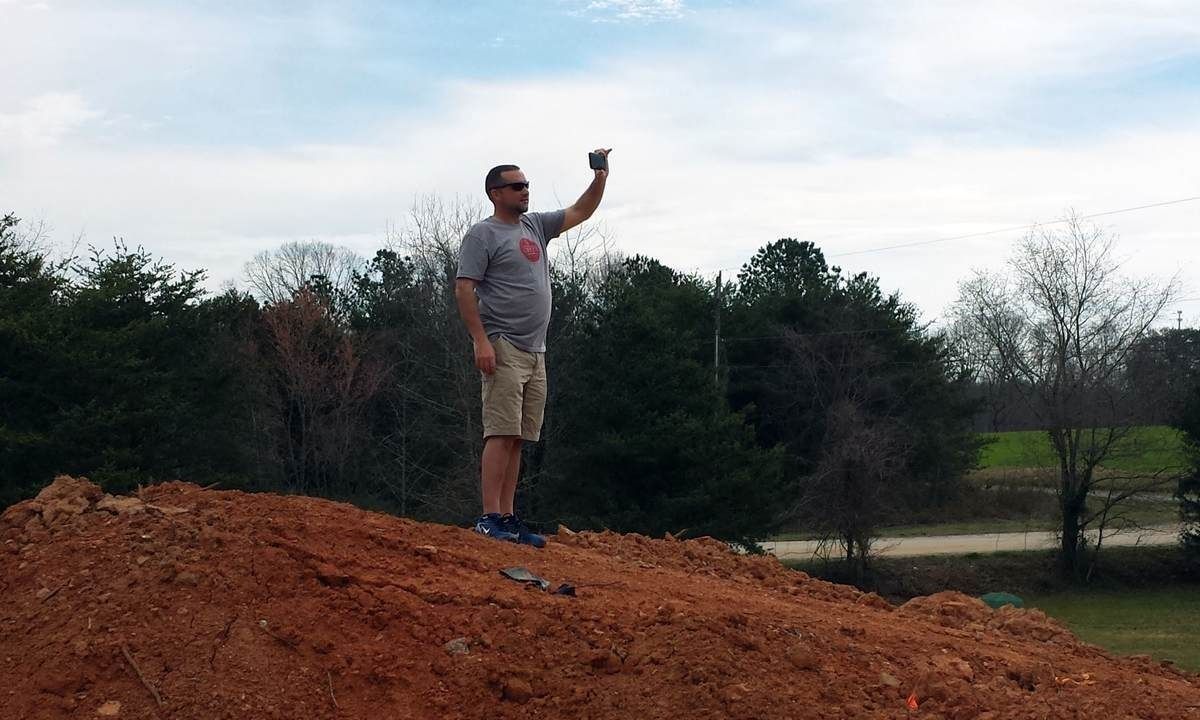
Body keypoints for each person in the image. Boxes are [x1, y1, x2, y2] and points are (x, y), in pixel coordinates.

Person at [454, 149, 611, 546]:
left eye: (527, 185)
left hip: (535, 350)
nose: (525, 191)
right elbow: (464, 288)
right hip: (502, 344)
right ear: (495, 193)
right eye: (516, 185)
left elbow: (581, 212)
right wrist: (481, 341)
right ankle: (489, 517)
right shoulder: (482, 234)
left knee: (519, 436)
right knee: (499, 431)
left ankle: (508, 516)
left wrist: (600, 178)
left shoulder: (535, 226)